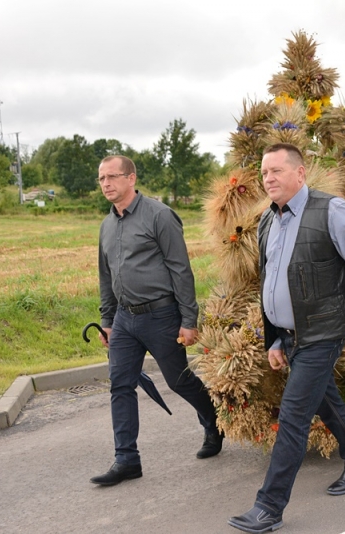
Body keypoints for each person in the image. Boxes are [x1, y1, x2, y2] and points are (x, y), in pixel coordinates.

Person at [227, 144, 345, 533]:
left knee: (293, 415)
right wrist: (275, 339)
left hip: (324, 331)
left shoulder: (331, 211)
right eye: (264, 172)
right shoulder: (267, 222)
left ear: (300, 173)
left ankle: (269, 508)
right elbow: (271, 283)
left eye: (276, 171)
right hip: (292, 335)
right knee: (326, 401)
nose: (268, 178)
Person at [92, 155, 221, 486]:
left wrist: (189, 320)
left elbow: (181, 269)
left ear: (131, 178)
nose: (106, 183)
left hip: (161, 315)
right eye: (101, 178)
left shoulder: (160, 216)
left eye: (112, 177)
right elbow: (106, 277)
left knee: (178, 381)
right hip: (124, 320)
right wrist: (107, 321)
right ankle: (126, 460)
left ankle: (213, 421)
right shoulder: (106, 226)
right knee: (120, 383)